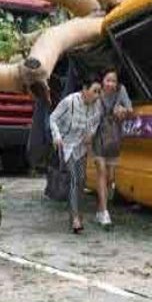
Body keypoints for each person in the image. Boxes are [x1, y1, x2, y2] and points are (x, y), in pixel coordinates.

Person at [49, 74, 102, 233]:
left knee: (82, 180)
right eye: (94, 91)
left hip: (81, 145)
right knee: (74, 177)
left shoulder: (97, 104)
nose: (97, 95)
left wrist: (91, 133)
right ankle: (75, 219)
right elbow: (52, 118)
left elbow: (96, 121)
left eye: (99, 91)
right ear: (85, 90)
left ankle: (77, 213)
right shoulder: (69, 101)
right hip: (67, 145)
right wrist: (57, 137)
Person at [91, 68, 133, 229]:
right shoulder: (97, 92)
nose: (110, 84)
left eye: (113, 81)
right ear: (102, 81)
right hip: (97, 136)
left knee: (110, 176)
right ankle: (104, 212)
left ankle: (101, 208)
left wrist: (123, 111)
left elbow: (130, 110)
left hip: (114, 137)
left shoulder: (121, 91)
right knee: (101, 171)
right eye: (107, 80)